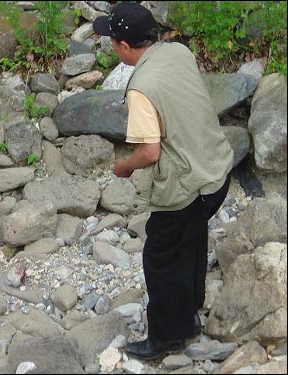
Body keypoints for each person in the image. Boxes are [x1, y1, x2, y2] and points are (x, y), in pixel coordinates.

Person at [93, 3, 234, 360]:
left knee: (160, 253)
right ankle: (191, 306)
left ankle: (170, 336)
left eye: (112, 40)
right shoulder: (177, 52)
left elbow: (151, 153)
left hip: (190, 186)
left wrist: (125, 166)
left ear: (125, 47)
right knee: (192, 235)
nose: (111, 46)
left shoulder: (141, 87)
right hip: (218, 169)